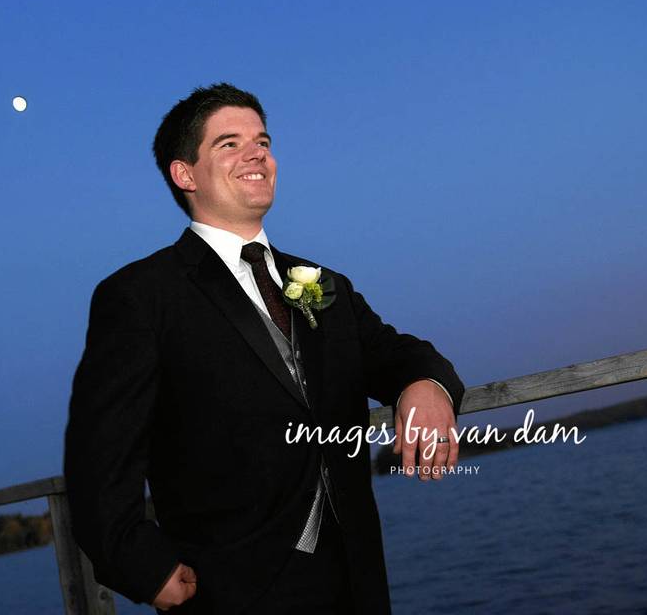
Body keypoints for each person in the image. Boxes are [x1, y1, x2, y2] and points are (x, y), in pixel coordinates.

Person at [64, 83, 464, 614]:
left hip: (355, 581)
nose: (257, 153)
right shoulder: (140, 295)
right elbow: (99, 461)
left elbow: (394, 353)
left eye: (262, 140)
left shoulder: (324, 284)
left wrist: (427, 386)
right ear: (185, 174)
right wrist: (142, 566)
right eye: (229, 143)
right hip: (230, 590)